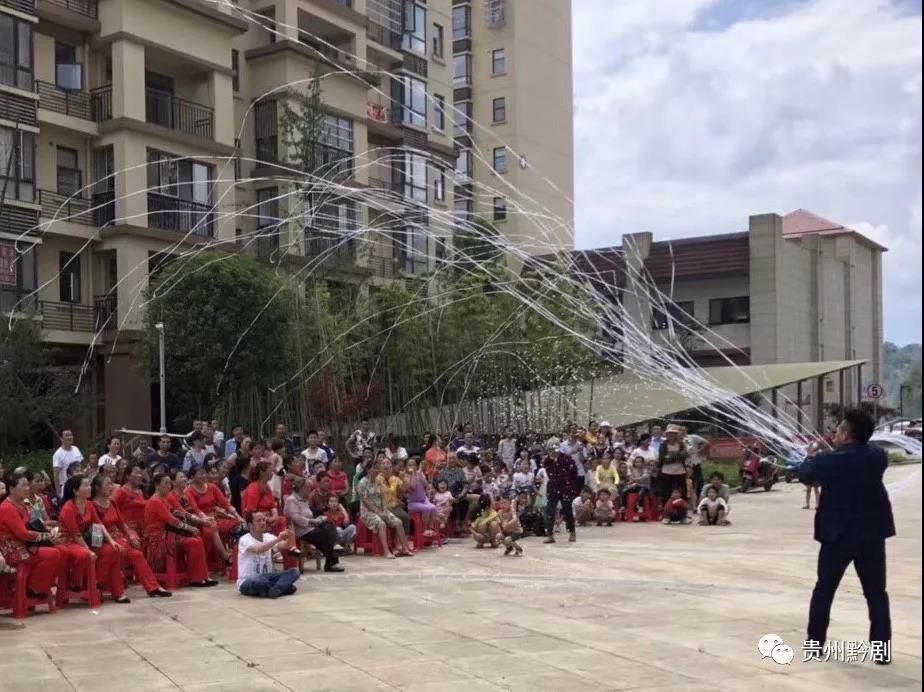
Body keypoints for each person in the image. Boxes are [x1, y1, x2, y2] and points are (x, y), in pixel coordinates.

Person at [801, 409, 894, 663]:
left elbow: (805, 475)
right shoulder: (877, 456)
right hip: (871, 535)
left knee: (824, 590)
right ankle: (882, 652)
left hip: (837, 535)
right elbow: (862, 455)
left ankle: (815, 645)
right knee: (876, 593)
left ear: (846, 434)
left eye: (839, 430)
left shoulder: (827, 461)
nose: (835, 434)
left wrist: (810, 455)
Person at [91, 474, 172, 597]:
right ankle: (107, 585)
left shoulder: (112, 502)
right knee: (119, 551)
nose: (111, 487)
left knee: (137, 554)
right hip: (103, 539)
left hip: (118, 537)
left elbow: (120, 524)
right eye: (107, 484)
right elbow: (95, 531)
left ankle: (153, 587)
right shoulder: (92, 506)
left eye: (111, 484)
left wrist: (130, 537)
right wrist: (107, 543)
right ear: (97, 488)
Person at [58, 474, 128, 602]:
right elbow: (75, 534)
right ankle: (78, 583)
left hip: (87, 539)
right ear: (76, 491)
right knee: (84, 555)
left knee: (113, 550)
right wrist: (88, 549)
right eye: (85, 485)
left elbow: (99, 524)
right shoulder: (68, 507)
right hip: (69, 541)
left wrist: (111, 541)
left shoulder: (89, 504)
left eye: (89, 485)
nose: (89, 488)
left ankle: (102, 585)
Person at [144, 473, 218, 588]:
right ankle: (197, 579)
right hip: (158, 538)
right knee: (194, 542)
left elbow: (178, 513)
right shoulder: (155, 501)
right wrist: (190, 528)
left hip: (168, 533)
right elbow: (172, 520)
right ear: (157, 485)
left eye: (169, 483)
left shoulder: (163, 499)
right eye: (165, 483)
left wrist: (200, 522)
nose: (169, 486)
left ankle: (201, 577)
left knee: (197, 539)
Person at [0, 469, 62, 600]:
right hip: (13, 549)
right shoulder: (7, 508)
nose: (27, 488)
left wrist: (49, 532)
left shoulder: (22, 504)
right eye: (23, 485)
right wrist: (47, 536)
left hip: (26, 544)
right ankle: (33, 588)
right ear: (11, 488)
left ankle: (37, 587)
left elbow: (31, 525)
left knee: (60, 550)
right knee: (54, 554)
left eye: (27, 485)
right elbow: (23, 534)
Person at [283, 478, 343, 572]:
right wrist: (313, 522)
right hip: (300, 530)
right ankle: (332, 562)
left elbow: (309, 515)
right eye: (307, 488)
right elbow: (296, 518)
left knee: (328, 524)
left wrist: (317, 520)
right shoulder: (292, 500)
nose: (309, 490)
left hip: (309, 527)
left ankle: (334, 549)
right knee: (324, 534)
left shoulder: (304, 500)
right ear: (301, 488)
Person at [356, 461, 413, 558]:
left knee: (398, 522)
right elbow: (366, 501)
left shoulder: (378, 481)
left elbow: (382, 498)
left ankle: (405, 548)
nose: (377, 471)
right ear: (368, 470)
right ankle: (386, 551)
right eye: (374, 468)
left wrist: (383, 511)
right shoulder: (363, 482)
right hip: (368, 512)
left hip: (382, 509)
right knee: (381, 523)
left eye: (377, 469)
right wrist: (378, 512)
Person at [237, 512, 301, 598]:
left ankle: (273, 590)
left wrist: (289, 536)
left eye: (264, 520)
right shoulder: (244, 539)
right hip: (248, 581)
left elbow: (285, 545)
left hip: (268, 577)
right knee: (261, 582)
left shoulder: (268, 536)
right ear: (250, 525)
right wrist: (278, 539)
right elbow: (258, 549)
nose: (263, 523)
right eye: (259, 520)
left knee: (294, 572)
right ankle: (280, 587)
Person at [541, 442, 579, 544]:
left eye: (554, 449)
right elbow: (548, 471)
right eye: (550, 450)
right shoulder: (548, 460)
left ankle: (572, 532)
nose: (553, 452)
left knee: (567, 510)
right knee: (550, 511)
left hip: (565, 488)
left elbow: (574, 472)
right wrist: (551, 459)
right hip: (553, 488)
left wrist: (571, 485)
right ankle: (550, 534)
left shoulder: (566, 458)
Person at [405, 458, 437, 536]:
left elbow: (426, 485)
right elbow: (413, 486)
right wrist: (413, 474)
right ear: (406, 466)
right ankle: (425, 529)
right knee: (427, 508)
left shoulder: (419, 474)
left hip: (423, 500)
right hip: (413, 503)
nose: (412, 467)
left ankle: (430, 528)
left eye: (414, 465)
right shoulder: (406, 476)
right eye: (410, 465)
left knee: (433, 508)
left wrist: (420, 474)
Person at [52, 430, 84, 499]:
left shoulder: (76, 449)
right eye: (66, 435)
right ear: (61, 439)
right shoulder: (58, 454)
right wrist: (58, 493)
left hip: (79, 485)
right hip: (66, 486)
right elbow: (56, 475)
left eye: (71, 435)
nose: (69, 437)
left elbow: (81, 466)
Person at [624, 455, 651, 521]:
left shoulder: (645, 470)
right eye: (636, 462)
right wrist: (629, 483)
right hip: (636, 486)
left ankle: (640, 506)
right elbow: (631, 479)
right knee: (624, 490)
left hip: (645, 487)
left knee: (641, 491)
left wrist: (634, 480)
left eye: (639, 462)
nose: (637, 463)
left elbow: (644, 478)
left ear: (643, 463)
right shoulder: (634, 471)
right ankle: (624, 506)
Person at [802, 441, 823, 510]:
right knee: (808, 490)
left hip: (815, 474)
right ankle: (807, 504)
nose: (810, 449)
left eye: (812, 447)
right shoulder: (808, 455)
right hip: (809, 474)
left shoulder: (818, 453)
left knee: (816, 490)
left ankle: (817, 504)